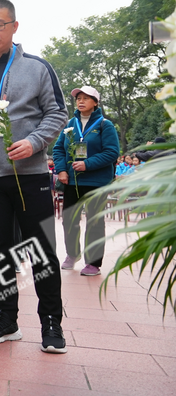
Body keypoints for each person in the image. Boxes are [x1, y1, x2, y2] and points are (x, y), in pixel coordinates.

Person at [0, 0, 68, 353]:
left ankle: (51, 324)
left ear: (15, 26)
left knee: (42, 251)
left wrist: (34, 142)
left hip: (30, 174)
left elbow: (57, 113)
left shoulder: (37, 68)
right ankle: (7, 319)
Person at [52, 85, 120, 277]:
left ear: (95, 103)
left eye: (86, 98)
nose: (80, 101)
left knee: (95, 222)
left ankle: (93, 263)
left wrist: (87, 164)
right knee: (69, 221)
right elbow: (58, 150)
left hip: (97, 182)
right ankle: (72, 254)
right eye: (78, 98)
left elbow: (112, 152)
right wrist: (62, 170)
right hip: (72, 182)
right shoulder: (69, 125)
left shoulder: (104, 125)